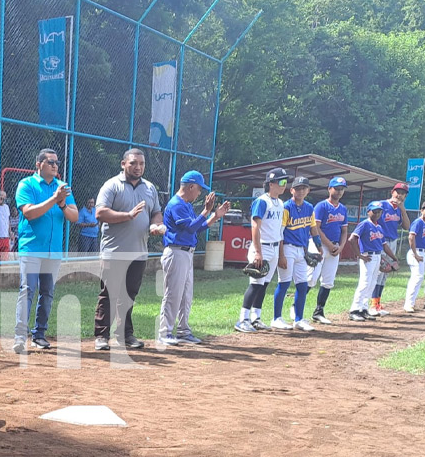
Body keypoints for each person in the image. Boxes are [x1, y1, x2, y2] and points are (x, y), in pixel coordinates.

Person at [93, 148, 165, 351]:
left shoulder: (150, 188)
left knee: (129, 295)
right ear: (123, 164)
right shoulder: (112, 185)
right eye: (133, 163)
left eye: (141, 164)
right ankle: (101, 336)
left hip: (139, 252)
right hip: (114, 251)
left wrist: (155, 225)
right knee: (109, 294)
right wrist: (128, 215)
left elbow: (156, 212)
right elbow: (100, 213)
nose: (138, 167)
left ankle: (125, 335)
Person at [13, 149, 78, 353]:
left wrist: (62, 205)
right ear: (39, 164)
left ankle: (39, 334)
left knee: (47, 292)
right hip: (32, 247)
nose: (55, 165)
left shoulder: (63, 188)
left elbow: (74, 216)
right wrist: (54, 199)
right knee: (27, 290)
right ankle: (19, 337)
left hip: (53, 250)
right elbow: (30, 213)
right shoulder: (27, 184)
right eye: (50, 162)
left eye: (57, 162)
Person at [157, 171, 230, 345]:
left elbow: (197, 228)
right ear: (190, 186)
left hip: (186, 253)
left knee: (186, 295)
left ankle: (183, 331)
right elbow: (190, 228)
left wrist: (214, 216)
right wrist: (205, 211)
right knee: (173, 295)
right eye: (198, 189)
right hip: (176, 252)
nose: (199, 193)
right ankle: (164, 332)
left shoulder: (187, 205)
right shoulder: (176, 204)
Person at [234, 168, 289, 333]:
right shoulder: (262, 201)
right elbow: (255, 226)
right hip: (262, 247)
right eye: (281, 182)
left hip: (273, 247)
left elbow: (279, 231)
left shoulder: (280, 203)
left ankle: (255, 318)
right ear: (271, 184)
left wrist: (280, 254)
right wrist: (258, 252)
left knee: (264, 285)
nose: (284, 185)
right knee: (255, 284)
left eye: (285, 182)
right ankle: (242, 319)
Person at [272, 176, 323, 332]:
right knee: (284, 283)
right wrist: (281, 255)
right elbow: (280, 232)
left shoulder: (309, 208)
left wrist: (318, 245)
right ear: (292, 190)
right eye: (298, 188)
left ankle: (299, 319)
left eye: (304, 188)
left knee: (302, 285)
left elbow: (313, 228)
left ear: (308, 190)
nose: (301, 191)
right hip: (287, 248)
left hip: (302, 249)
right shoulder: (286, 207)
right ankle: (277, 318)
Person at [306, 177, 349, 325]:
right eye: (336, 188)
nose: (339, 191)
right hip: (319, 245)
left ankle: (319, 311)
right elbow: (316, 228)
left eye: (342, 189)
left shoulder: (343, 209)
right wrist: (329, 245)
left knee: (328, 281)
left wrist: (341, 246)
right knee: (311, 277)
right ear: (329, 189)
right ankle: (296, 307)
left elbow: (344, 230)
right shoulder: (321, 206)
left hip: (335, 247)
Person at [348, 201, 400, 322]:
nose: (377, 214)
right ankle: (354, 310)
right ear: (368, 211)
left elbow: (384, 245)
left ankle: (364, 309)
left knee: (372, 283)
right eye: (374, 211)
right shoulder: (364, 224)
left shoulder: (379, 227)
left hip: (377, 256)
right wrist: (359, 255)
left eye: (379, 212)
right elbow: (352, 239)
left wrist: (394, 258)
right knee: (364, 283)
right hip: (368, 256)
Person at [370, 183, 410, 316]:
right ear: (392, 192)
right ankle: (372, 305)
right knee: (378, 272)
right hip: (380, 241)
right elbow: (371, 219)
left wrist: (403, 209)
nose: (400, 195)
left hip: (392, 242)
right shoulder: (382, 204)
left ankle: (377, 304)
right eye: (398, 192)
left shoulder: (399, 209)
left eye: (403, 193)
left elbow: (406, 226)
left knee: (385, 274)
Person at [403, 200, 425, 312]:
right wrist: (415, 254)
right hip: (416, 252)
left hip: (424, 253)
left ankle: (411, 303)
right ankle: (408, 304)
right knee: (416, 278)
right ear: (422, 210)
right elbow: (411, 238)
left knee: (419, 278)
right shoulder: (418, 222)